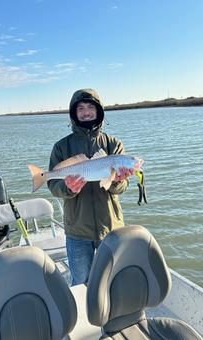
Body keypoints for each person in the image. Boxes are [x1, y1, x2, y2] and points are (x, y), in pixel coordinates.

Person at [47, 88, 134, 285]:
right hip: (77, 229)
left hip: (111, 227)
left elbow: (122, 188)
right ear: (74, 113)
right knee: (81, 281)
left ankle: (111, 315)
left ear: (99, 111)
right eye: (81, 108)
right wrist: (69, 188)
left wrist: (118, 180)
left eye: (91, 107)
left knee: (113, 280)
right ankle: (83, 315)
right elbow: (53, 185)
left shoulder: (114, 145)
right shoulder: (61, 147)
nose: (86, 112)